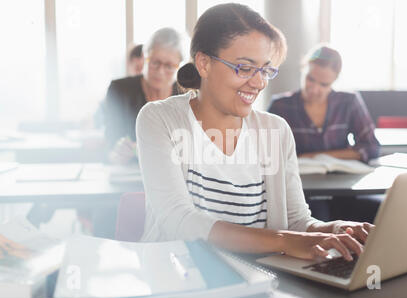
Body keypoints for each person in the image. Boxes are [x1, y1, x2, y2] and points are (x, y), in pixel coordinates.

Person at [136, 3, 374, 261]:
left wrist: (333, 229)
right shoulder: (160, 119)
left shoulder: (276, 130)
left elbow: (296, 221)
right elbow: (177, 219)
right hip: (181, 277)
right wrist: (284, 240)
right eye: (245, 68)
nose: (259, 82)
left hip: (263, 278)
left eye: (265, 70)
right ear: (204, 64)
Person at [268, 45, 381, 222]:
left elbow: (371, 147)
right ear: (303, 70)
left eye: (324, 84)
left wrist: (314, 156)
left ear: (335, 80)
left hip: (343, 189)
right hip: (302, 192)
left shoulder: (349, 102)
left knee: (381, 211)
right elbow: (269, 155)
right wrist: (344, 153)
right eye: (310, 79)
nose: (314, 89)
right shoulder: (281, 106)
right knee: (318, 217)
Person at [103, 27, 187, 165]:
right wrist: (116, 153)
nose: (160, 72)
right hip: (128, 173)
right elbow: (109, 145)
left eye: (169, 66)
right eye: (155, 63)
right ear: (145, 56)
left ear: (179, 66)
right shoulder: (119, 91)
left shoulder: (186, 95)